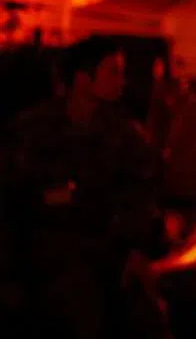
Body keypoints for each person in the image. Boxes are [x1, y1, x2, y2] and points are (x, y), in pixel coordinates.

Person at [0, 35, 165, 337]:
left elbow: (145, 187)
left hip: (106, 250)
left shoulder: (123, 134)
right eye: (113, 71)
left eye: (122, 71)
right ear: (83, 78)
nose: (122, 81)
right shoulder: (32, 129)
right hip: (48, 256)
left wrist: (137, 246)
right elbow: (11, 198)